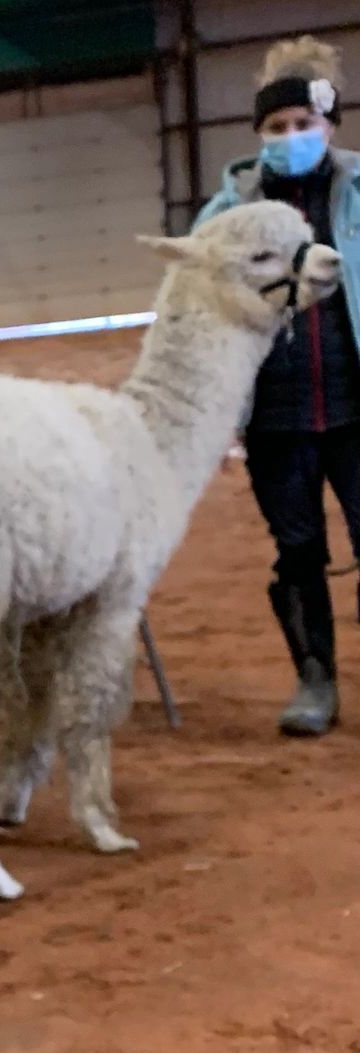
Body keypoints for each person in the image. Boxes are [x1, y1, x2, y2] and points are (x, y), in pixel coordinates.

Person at [197, 37, 360, 738]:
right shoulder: (228, 213)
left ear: (329, 124)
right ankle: (314, 678)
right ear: (259, 134)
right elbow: (196, 303)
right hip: (277, 416)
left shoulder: (356, 194)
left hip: (357, 408)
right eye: (276, 127)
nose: (291, 137)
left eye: (304, 124)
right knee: (297, 550)